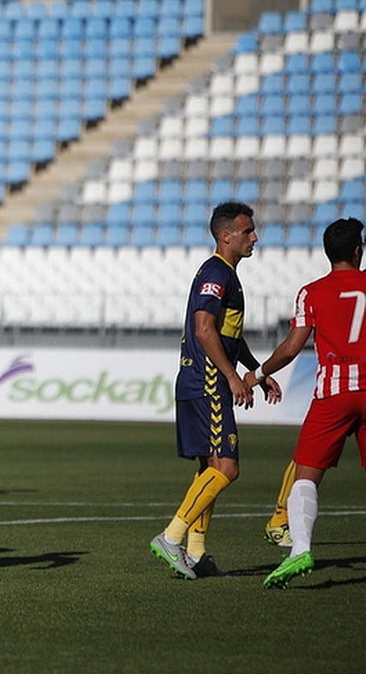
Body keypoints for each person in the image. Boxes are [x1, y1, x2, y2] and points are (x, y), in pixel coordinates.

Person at [149, 201, 276, 580]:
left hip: (201, 378)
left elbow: (227, 333)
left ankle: (198, 552)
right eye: (247, 231)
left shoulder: (226, 275)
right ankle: (171, 537)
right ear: (226, 236)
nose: (254, 237)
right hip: (208, 381)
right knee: (227, 468)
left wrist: (255, 368)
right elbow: (204, 329)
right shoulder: (216, 274)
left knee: (210, 468)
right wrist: (233, 377)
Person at [245, 218, 366, 589]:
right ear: (358, 252)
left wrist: (259, 372)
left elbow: (293, 347)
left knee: (306, 476)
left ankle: (300, 549)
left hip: (333, 394)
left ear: (327, 254)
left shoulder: (311, 292)